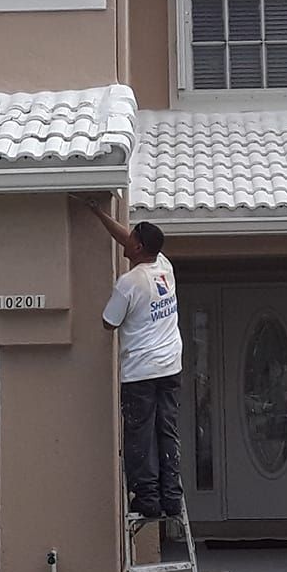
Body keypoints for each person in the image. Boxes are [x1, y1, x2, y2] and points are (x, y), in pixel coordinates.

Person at [81, 197, 183, 520]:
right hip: (170, 367)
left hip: (140, 373)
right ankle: (171, 498)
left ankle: (147, 499)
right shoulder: (164, 267)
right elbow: (127, 237)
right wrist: (99, 214)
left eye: (132, 238)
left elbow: (108, 322)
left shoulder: (128, 284)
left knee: (140, 435)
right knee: (166, 431)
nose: (128, 240)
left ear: (138, 247)